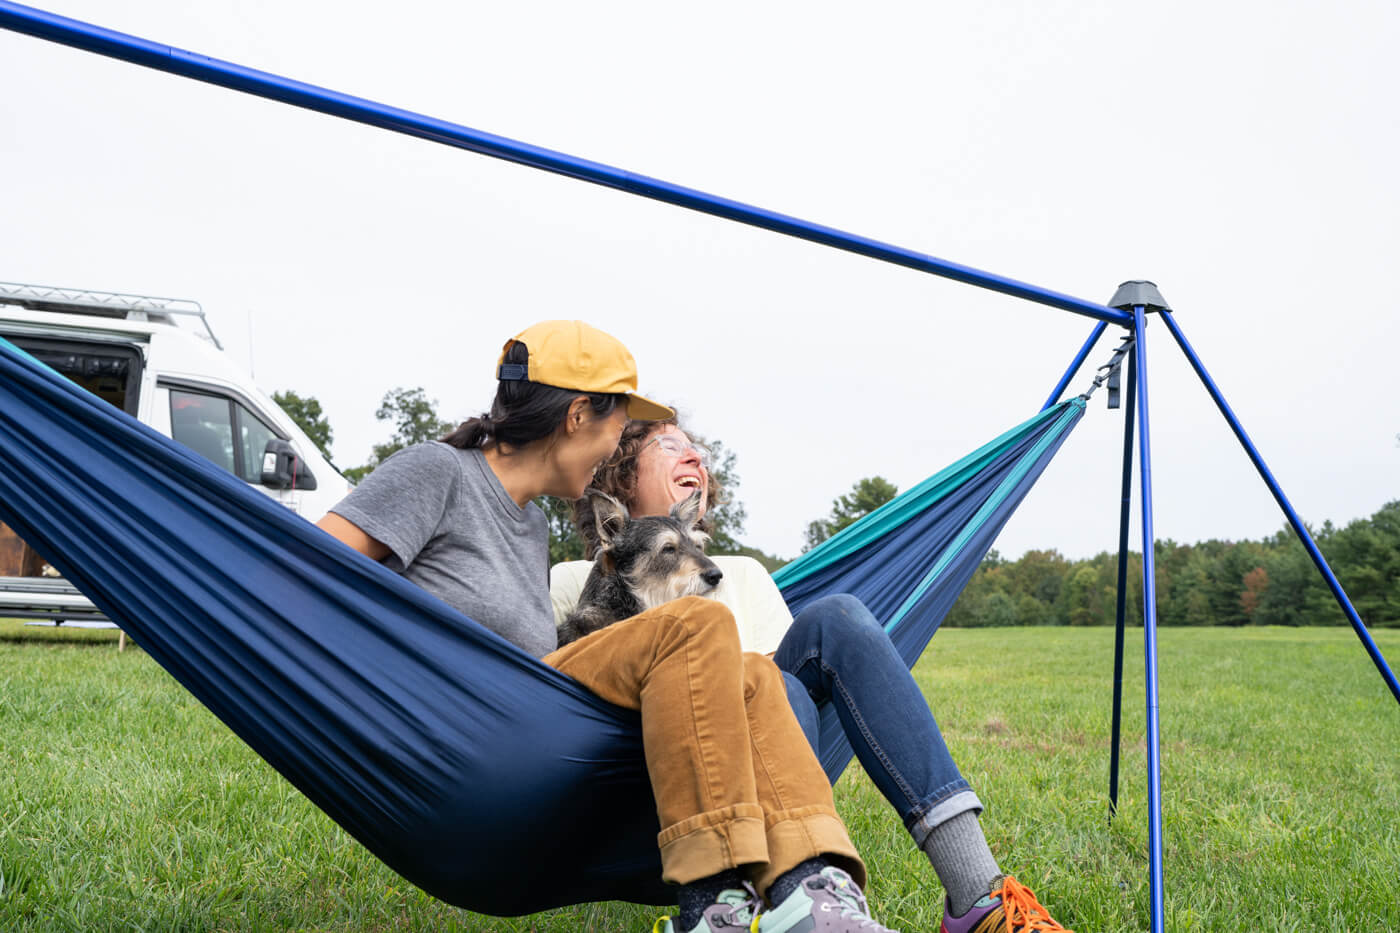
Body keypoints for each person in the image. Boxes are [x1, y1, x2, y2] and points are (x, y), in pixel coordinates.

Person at [317, 321, 899, 933]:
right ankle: (711, 906)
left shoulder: (530, 523)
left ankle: (814, 897)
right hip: (472, 722)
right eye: (618, 428)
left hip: (539, 713)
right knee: (694, 624)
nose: (612, 449)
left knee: (753, 672)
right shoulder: (439, 472)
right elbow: (306, 573)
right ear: (576, 416)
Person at [551, 416, 1075, 933]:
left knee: (832, 621)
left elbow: (785, 688)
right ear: (619, 476)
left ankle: (978, 896)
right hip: (656, 789)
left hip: (780, 767)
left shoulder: (743, 573)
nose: (695, 459)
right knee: (760, 676)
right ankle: (780, 903)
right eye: (670, 445)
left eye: (700, 453)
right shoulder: (576, 579)